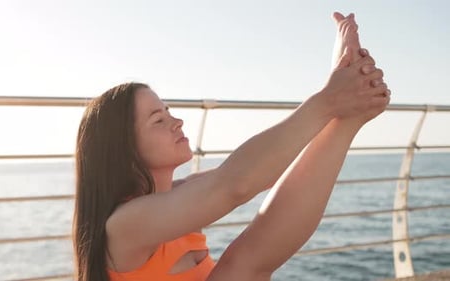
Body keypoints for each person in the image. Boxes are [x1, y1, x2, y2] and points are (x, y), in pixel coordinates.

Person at [73, 12, 390, 281]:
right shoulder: (123, 225)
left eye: (169, 112)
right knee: (246, 261)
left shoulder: (177, 198)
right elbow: (234, 184)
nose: (177, 122)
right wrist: (328, 100)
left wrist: (342, 98)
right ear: (122, 151)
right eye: (158, 119)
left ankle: (348, 121)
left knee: (249, 261)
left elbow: (261, 175)